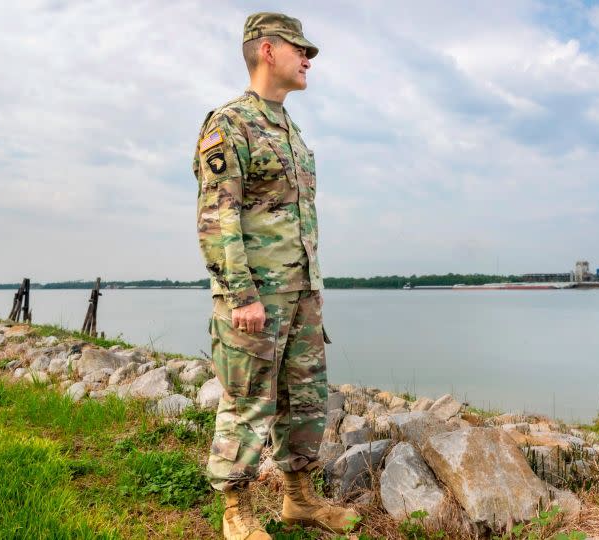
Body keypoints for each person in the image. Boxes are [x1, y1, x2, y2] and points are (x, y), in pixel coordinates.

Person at [193, 12, 359, 540]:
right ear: (267, 50)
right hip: (254, 298)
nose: (308, 58)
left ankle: (298, 499)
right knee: (247, 402)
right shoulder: (230, 124)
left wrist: (311, 291)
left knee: (306, 399)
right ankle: (236, 512)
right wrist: (241, 293)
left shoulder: (290, 129)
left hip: (301, 295)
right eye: (299, 49)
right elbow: (218, 217)